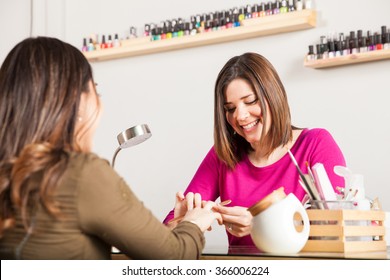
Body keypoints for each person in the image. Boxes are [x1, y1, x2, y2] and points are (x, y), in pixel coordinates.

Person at [0, 37, 222, 260]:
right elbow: (174, 258)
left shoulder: (9, 175)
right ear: (76, 102)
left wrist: (179, 227)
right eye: (95, 90)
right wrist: (195, 223)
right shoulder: (82, 173)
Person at [163, 52, 346, 247]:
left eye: (250, 101)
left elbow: (333, 233)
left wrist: (258, 226)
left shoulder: (316, 144)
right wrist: (182, 221)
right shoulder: (224, 155)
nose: (240, 116)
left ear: (273, 95)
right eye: (230, 108)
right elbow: (162, 241)